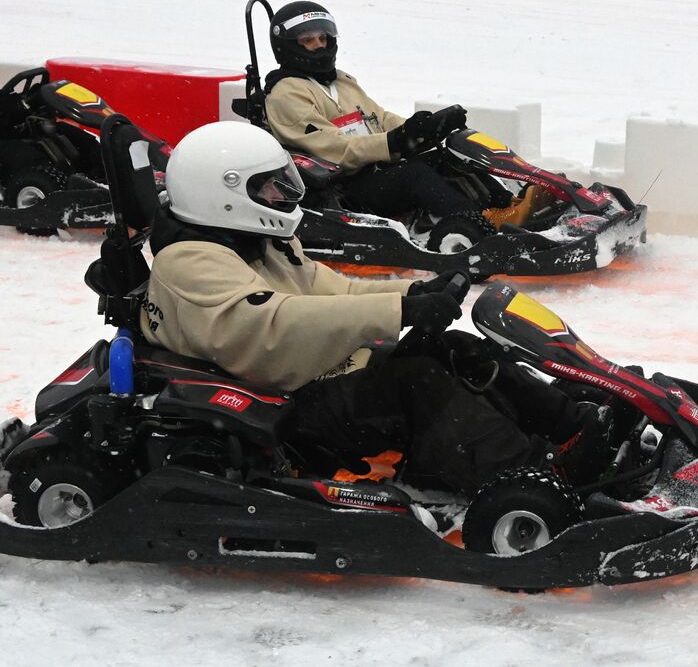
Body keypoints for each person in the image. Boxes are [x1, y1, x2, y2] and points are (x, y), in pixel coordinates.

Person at [140, 120, 610, 493]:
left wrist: (413, 296)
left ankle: (574, 425)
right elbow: (272, 323)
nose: (281, 197)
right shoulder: (190, 261)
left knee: (453, 348)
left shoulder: (257, 241)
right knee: (415, 380)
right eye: (268, 189)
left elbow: (335, 294)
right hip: (277, 411)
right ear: (223, 195)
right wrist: (396, 313)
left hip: (306, 376)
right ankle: (529, 477)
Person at [260, 0, 485, 248]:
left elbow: (378, 118)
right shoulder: (286, 94)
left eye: (323, 38)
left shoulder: (340, 82)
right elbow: (336, 148)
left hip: (372, 170)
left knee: (447, 159)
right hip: (342, 188)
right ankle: (477, 232)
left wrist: (426, 128)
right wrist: (397, 140)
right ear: (289, 46)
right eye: (308, 40)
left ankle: (505, 209)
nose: (319, 45)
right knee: (415, 175)